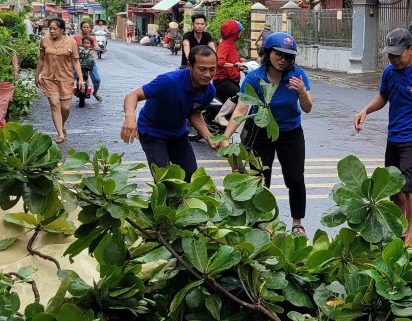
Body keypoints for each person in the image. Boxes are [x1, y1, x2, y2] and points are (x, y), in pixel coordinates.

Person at [353, 27, 412, 244]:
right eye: (390, 55)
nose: (394, 59)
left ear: (411, 50)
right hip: (394, 137)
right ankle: (400, 227)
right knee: (394, 187)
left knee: (410, 186)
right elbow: (383, 96)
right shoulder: (389, 72)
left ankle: (411, 234)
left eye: (398, 54)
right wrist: (366, 110)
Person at [223, 33, 313, 234]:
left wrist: (302, 92)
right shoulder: (255, 78)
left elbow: (307, 108)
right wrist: (226, 136)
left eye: (287, 56)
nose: (283, 60)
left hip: (291, 133)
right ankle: (260, 220)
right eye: (278, 54)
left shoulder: (298, 75)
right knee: (260, 178)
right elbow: (241, 109)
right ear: (268, 53)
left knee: (296, 179)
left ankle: (297, 223)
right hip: (260, 132)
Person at [120, 45, 223, 180]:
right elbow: (133, 95)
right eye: (202, 69)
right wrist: (130, 118)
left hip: (178, 133)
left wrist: (209, 137)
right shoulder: (168, 82)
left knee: (192, 179)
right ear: (190, 65)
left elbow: (194, 112)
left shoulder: (209, 91)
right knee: (165, 182)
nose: (208, 75)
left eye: (212, 69)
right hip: (153, 133)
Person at [35, 17, 85, 144]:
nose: (51, 31)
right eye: (50, 29)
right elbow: (41, 59)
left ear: (62, 29)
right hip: (48, 78)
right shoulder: (44, 41)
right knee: (54, 104)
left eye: (55, 29)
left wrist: (80, 78)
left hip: (65, 78)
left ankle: (61, 125)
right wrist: (37, 75)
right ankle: (60, 134)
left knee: (66, 108)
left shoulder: (71, 42)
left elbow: (75, 60)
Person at [213, 19, 247, 104]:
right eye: (239, 31)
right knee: (242, 99)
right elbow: (218, 61)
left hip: (231, 80)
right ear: (235, 33)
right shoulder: (225, 45)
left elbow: (235, 59)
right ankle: (221, 117)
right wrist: (234, 66)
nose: (240, 34)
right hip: (223, 80)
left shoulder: (231, 44)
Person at [73, 20, 103, 101]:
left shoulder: (93, 38)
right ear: (81, 28)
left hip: (90, 62)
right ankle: (66, 94)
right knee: (69, 78)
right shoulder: (75, 38)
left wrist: (97, 48)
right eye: (84, 27)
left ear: (90, 28)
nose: (86, 29)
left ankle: (95, 93)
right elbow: (70, 44)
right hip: (77, 61)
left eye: (87, 27)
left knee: (97, 79)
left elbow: (96, 45)